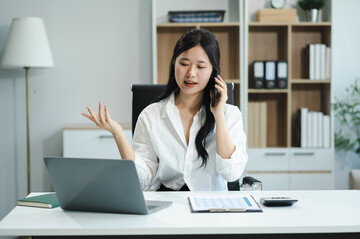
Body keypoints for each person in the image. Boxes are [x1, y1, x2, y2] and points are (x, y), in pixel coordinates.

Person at [82, 29, 248, 191]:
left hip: (209, 208)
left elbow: (231, 173)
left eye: (201, 66)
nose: (191, 73)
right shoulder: (150, 115)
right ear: (174, 64)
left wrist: (218, 115)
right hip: (166, 204)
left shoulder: (230, 115)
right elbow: (142, 179)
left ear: (213, 71)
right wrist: (118, 134)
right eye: (184, 64)